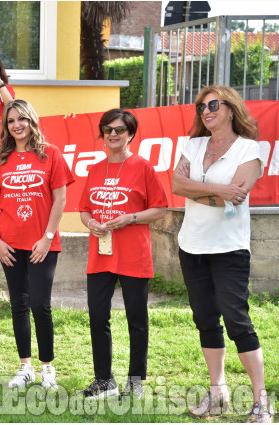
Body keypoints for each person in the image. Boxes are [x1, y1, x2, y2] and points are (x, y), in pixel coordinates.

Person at [172, 86, 272, 422]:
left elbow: (238, 195)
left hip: (229, 249)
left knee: (237, 321)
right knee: (205, 321)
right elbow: (176, 185)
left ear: (231, 109)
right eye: (201, 106)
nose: (206, 110)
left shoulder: (249, 149)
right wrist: (218, 189)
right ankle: (217, 392)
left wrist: (200, 191)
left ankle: (261, 400)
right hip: (192, 245)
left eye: (213, 104)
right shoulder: (194, 145)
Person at [78, 109, 168, 400]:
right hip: (101, 255)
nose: (113, 134)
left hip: (133, 255)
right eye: (107, 130)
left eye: (119, 129)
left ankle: (135, 380)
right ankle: (104, 380)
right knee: (97, 316)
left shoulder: (142, 167)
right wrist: (90, 221)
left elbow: (160, 209)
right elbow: (84, 209)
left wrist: (130, 218)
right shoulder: (95, 169)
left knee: (136, 319)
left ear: (130, 133)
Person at [0, 99, 74, 390]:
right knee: (18, 305)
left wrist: (47, 238)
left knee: (40, 304)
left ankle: (47, 368)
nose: (17, 125)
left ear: (31, 120)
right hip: (9, 244)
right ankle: (25, 367)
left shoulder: (50, 154)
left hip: (42, 243)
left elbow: (60, 199)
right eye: (11, 121)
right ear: (6, 126)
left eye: (21, 119)